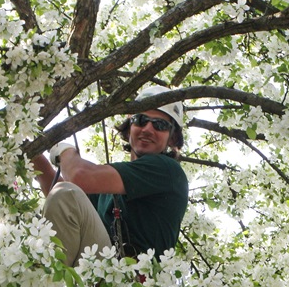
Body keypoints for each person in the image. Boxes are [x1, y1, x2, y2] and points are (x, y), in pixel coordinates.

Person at [32, 85, 189, 267]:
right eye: (140, 120)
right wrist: (32, 153)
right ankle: (45, 283)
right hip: (99, 271)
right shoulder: (109, 188)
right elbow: (63, 206)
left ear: (172, 138)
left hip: (127, 283)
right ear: (130, 126)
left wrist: (65, 151)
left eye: (160, 125)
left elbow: (79, 177)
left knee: (66, 193)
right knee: (63, 194)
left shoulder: (167, 170)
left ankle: (46, 283)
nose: (147, 129)